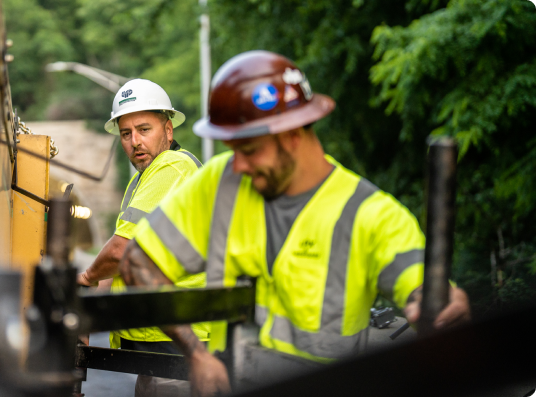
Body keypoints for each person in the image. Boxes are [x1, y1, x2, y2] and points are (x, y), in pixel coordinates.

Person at [117, 51, 472, 396]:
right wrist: (195, 353)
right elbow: (137, 262)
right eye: (232, 148)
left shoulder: (369, 214)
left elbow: (425, 288)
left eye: (250, 149)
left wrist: (445, 305)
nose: (237, 164)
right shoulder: (220, 183)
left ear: (294, 134)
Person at [77, 79, 208, 397]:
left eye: (144, 129)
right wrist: (88, 311)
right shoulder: (144, 181)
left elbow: (121, 251)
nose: (135, 141)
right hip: (157, 349)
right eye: (126, 133)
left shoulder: (172, 168)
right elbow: (120, 263)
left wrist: (87, 277)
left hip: (177, 349)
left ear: (168, 130)